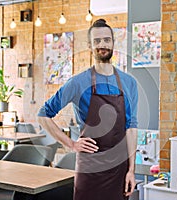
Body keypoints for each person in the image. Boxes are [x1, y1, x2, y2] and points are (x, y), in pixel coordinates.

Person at [37, 19, 138, 200]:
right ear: (90, 46)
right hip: (90, 168)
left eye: (106, 40)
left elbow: (131, 128)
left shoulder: (129, 83)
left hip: (119, 169)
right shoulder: (78, 82)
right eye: (97, 41)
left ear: (113, 43)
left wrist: (131, 170)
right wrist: (71, 144)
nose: (102, 45)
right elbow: (43, 115)